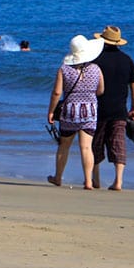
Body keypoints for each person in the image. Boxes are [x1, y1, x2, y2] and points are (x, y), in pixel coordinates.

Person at [47, 35, 105, 190]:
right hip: (90, 112)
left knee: (64, 145)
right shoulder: (96, 69)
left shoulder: (64, 69)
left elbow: (57, 93)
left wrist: (51, 112)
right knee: (86, 147)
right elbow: (101, 90)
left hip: (69, 111)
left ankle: (58, 177)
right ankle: (88, 181)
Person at [90, 26, 134, 191]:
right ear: (118, 42)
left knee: (95, 143)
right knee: (118, 143)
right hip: (120, 110)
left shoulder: (95, 59)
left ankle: (95, 178)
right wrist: (133, 108)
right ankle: (118, 181)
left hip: (98, 108)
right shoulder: (127, 60)